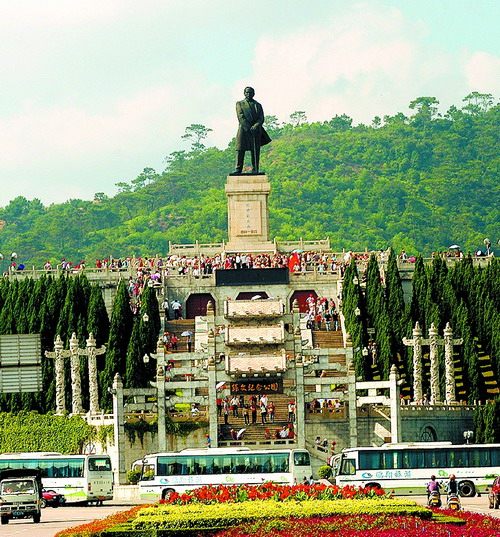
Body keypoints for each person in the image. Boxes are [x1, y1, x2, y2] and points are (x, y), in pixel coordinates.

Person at [233, 87, 271, 174]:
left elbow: (261, 117)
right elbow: (240, 116)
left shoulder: (258, 105)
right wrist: (248, 128)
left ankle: (255, 169)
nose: (248, 94)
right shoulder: (240, 104)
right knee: (240, 150)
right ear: (244, 93)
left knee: (255, 150)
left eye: (250, 93)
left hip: (256, 131)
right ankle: (238, 169)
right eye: (247, 92)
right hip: (244, 130)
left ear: (253, 94)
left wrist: (256, 126)